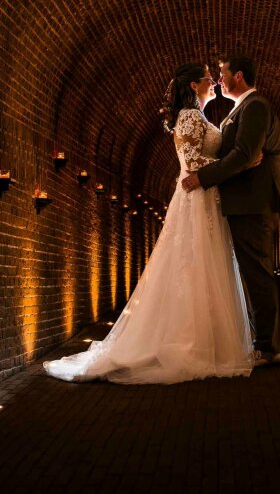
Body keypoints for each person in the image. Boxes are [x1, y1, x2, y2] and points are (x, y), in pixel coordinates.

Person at [43, 63, 255, 384]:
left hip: (206, 197)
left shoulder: (198, 116)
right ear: (195, 84)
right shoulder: (189, 116)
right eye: (209, 80)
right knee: (194, 266)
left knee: (206, 266)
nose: (214, 84)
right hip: (197, 199)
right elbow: (191, 162)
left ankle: (208, 342)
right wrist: (238, 165)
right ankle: (195, 344)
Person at [181, 55, 280, 367]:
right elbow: (240, 154)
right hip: (245, 203)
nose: (218, 79)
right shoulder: (242, 108)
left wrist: (203, 177)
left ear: (238, 76)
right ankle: (261, 343)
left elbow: (244, 154)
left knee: (258, 274)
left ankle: (268, 348)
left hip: (253, 203)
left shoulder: (255, 106)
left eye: (223, 73)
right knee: (253, 272)